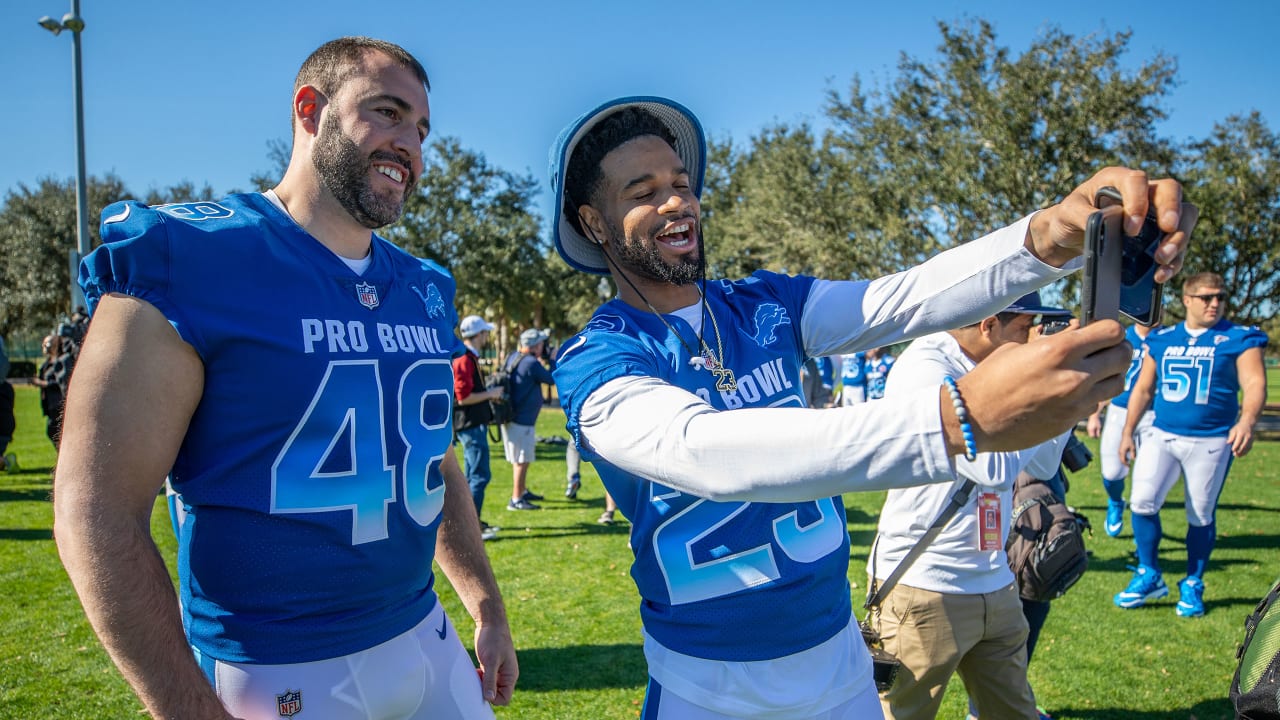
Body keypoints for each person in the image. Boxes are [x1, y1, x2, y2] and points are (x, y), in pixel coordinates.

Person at [547, 96, 1191, 718]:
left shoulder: (765, 304)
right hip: (708, 684)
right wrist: (956, 419)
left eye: (681, 182)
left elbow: (907, 298)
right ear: (594, 223)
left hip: (840, 661)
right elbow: (701, 452)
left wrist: (1049, 234)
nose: (676, 201)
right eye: (643, 192)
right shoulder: (596, 358)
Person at [53, 36, 517, 719]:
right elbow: (94, 513)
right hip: (276, 670)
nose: (410, 145)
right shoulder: (190, 257)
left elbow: (433, 462)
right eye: (386, 112)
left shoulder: (423, 286)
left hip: (424, 636)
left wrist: (486, 604)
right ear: (310, 110)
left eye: (420, 129)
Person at [868, 292, 1072, 720]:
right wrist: (1037, 382)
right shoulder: (926, 369)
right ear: (987, 324)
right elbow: (993, 467)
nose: (1032, 337)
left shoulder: (987, 364)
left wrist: (1070, 388)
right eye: (1024, 327)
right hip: (924, 588)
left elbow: (1044, 461)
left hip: (993, 581)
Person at [1116, 272, 1268, 617]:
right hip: (1162, 432)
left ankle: (1193, 581)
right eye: (1206, 297)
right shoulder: (1164, 338)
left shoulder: (1238, 338)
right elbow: (1142, 388)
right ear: (1186, 300)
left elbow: (1255, 383)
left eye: (1220, 297)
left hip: (1212, 438)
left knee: (1199, 513)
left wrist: (1246, 421)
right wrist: (1127, 431)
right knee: (1141, 502)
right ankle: (1149, 573)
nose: (1215, 303)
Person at [1086, 320, 1160, 536]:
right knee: (1112, 473)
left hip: (1154, 415)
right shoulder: (1122, 336)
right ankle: (1116, 501)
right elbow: (1106, 378)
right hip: (1119, 411)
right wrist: (1095, 415)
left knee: (1147, 484)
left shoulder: (1168, 338)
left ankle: (1144, 539)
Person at [453, 314, 504, 539]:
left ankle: (473, 524)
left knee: (472, 475)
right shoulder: (465, 358)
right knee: (478, 475)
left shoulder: (467, 356)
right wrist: (490, 394)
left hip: (471, 423)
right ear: (479, 334)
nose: (486, 337)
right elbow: (463, 397)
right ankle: (471, 529)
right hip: (470, 424)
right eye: (485, 332)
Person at [501, 328, 556, 511]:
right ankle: (516, 499)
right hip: (521, 421)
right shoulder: (531, 363)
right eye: (541, 343)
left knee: (520, 459)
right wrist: (554, 359)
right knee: (521, 461)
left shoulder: (513, 357)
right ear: (534, 346)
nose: (544, 347)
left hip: (513, 417)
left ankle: (522, 491)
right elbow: (551, 378)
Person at [32, 334, 72, 449]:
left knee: (55, 431)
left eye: (49, 343)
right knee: (53, 432)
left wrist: (41, 383)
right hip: (50, 404)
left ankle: (64, 455)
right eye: (45, 344)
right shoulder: (45, 365)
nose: (46, 346)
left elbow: (63, 383)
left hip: (60, 402)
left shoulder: (63, 361)